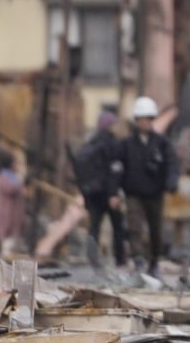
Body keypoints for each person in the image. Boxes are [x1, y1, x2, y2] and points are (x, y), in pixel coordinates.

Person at [121, 95, 180, 276]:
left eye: (148, 119)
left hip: (155, 192)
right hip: (133, 192)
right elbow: (118, 167)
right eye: (142, 119)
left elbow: (171, 163)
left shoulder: (162, 143)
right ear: (137, 120)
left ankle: (154, 261)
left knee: (156, 229)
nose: (145, 123)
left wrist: (171, 182)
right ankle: (138, 259)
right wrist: (114, 190)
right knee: (134, 227)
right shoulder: (127, 144)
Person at [74, 110, 127, 269]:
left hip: (93, 194)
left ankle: (93, 257)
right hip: (108, 194)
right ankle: (120, 261)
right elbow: (114, 171)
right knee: (118, 227)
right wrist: (113, 194)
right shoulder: (112, 144)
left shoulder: (90, 143)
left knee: (94, 226)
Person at [0, 153, 26, 253]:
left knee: (15, 241)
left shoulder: (14, 176)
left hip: (15, 215)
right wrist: (21, 181)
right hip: (6, 213)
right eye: (15, 163)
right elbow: (10, 189)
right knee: (6, 241)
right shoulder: (2, 177)